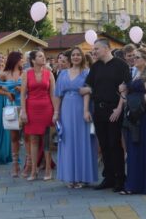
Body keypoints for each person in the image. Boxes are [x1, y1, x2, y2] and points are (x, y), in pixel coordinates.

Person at [81, 39, 131, 192]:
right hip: (99, 109)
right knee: (103, 144)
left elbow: (125, 88)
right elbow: (86, 87)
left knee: (114, 144)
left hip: (114, 109)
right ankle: (108, 177)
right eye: (93, 49)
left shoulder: (121, 65)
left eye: (96, 48)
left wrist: (118, 108)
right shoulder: (95, 67)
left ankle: (120, 178)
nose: (93, 51)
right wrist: (87, 107)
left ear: (107, 48)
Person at [118, 47, 146, 195]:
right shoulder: (135, 74)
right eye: (134, 57)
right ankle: (134, 183)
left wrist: (131, 100)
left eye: (137, 57)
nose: (134, 59)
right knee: (135, 148)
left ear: (145, 60)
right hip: (136, 115)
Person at [55, 47, 98, 188]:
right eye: (73, 55)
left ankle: (82, 177)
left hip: (81, 108)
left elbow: (87, 92)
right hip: (66, 108)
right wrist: (56, 112)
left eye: (78, 55)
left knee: (82, 140)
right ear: (70, 58)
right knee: (68, 141)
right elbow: (58, 95)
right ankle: (70, 177)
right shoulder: (62, 74)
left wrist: (86, 111)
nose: (76, 57)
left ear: (82, 57)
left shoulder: (87, 73)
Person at [21, 50, 55, 181]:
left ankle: (48, 169)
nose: (44, 58)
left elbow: (53, 94)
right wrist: (23, 111)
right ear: (33, 60)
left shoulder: (49, 73)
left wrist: (56, 111)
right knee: (33, 140)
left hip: (46, 108)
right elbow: (23, 94)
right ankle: (34, 170)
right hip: (31, 109)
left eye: (44, 56)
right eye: (40, 56)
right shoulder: (26, 73)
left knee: (47, 140)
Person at [0, 51, 25, 177]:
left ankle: (28, 164)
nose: (23, 61)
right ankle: (15, 165)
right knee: (14, 137)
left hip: (24, 106)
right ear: (15, 59)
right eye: (21, 59)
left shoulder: (24, 73)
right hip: (11, 107)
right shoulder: (4, 74)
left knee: (27, 136)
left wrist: (22, 89)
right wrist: (7, 93)